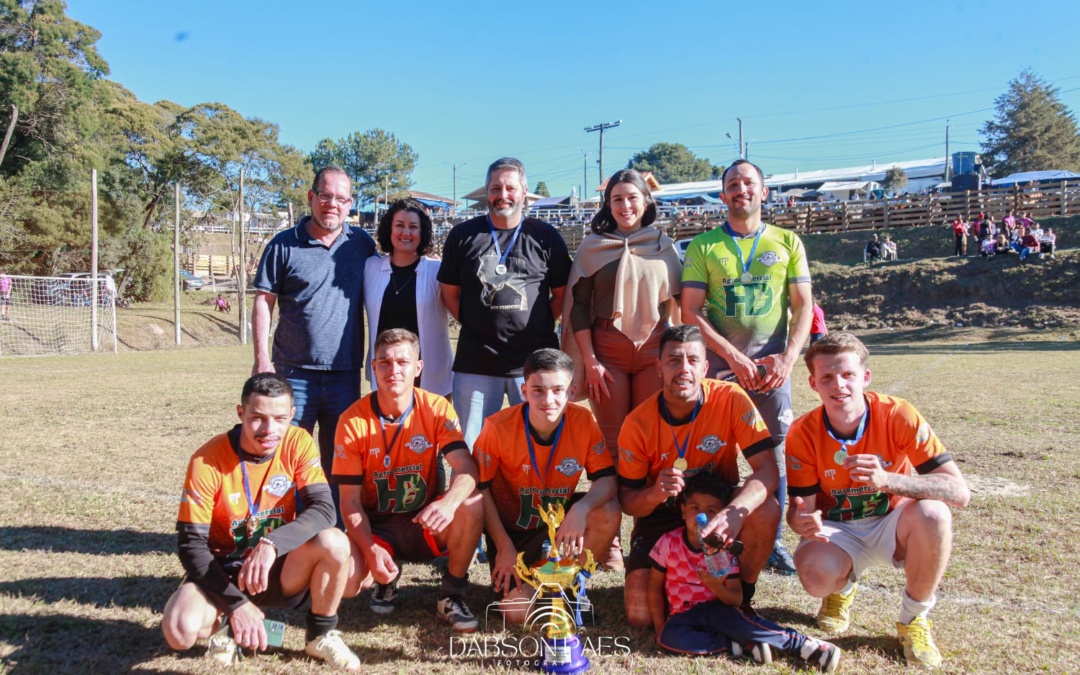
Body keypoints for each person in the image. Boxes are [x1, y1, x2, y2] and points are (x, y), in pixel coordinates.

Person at [786, 332, 970, 669]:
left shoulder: (899, 414)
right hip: (838, 529)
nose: (838, 384)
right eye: (827, 377)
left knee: (935, 514)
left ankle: (913, 619)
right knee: (814, 576)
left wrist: (888, 480)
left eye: (848, 374)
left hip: (893, 523)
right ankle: (840, 589)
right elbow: (799, 511)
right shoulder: (802, 432)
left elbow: (959, 492)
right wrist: (803, 521)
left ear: (865, 377)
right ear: (813, 383)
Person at [162, 373, 365, 670]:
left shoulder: (298, 441)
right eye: (257, 418)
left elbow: (323, 509)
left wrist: (272, 544)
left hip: (277, 567)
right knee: (180, 630)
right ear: (241, 413)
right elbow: (190, 546)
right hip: (223, 570)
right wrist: (237, 605)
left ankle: (320, 635)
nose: (269, 430)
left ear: (292, 415)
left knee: (334, 541)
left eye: (280, 419)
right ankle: (225, 627)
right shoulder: (206, 460)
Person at [681, 159, 814, 576]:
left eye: (749, 183)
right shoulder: (704, 246)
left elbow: (804, 306)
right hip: (721, 369)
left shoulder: (787, 241)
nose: (742, 189)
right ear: (723, 195)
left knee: (774, 457)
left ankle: (771, 542)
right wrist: (733, 357)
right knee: (712, 456)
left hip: (771, 369)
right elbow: (690, 311)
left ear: (764, 191)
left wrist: (788, 358)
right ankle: (707, 535)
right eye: (733, 184)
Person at [618, 324, 780, 627]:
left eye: (693, 360)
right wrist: (654, 493)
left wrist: (735, 512)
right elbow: (628, 502)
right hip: (664, 517)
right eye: (673, 360)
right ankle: (679, 576)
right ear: (659, 367)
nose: (684, 369)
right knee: (640, 616)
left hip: (718, 511)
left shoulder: (731, 398)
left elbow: (768, 469)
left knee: (765, 508)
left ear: (705, 367)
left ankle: (741, 597)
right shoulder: (637, 423)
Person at [332, 329, 485, 633]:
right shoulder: (351, 420)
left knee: (471, 503)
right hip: (377, 527)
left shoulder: (436, 407)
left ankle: (451, 594)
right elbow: (349, 502)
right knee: (348, 582)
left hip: (423, 522)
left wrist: (449, 504)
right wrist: (369, 548)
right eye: (385, 362)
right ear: (373, 367)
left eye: (403, 362)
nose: (394, 370)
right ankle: (385, 575)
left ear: (418, 367)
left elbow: (466, 467)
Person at [252, 166, 377, 508]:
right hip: (293, 373)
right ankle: (283, 523)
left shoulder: (362, 245)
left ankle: (333, 526)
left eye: (340, 198)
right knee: (287, 454)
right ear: (311, 197)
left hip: (344, 375)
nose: (332, 204)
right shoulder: (283, 245)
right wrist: (262, 359)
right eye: (325, 195)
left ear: (350, 204)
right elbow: (263, 302)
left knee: (340, 459)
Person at [474, 348, 621, 621]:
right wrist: (503, 546)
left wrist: (581, 509)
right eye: (538, 390)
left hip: (560, 531)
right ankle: (539, 588)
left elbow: (607, 480)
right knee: (517, 612)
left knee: (608, 510)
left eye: (557, 390)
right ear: (524, 391)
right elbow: (480, 489)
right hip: (514, 536)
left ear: (571, 391)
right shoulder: (497, 427)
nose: (548, 400)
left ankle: (571, 585)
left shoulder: (583, 421)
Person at [437, 157, 572, 451]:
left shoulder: (545, 236)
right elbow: (449, 293)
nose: (503, 195)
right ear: (487, 192)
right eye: (495, 188)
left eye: (510, 188)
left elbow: (562, 295)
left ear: (523, 192)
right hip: (476, 360)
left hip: (535, 361)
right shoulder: (463, 236)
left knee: (538, 444)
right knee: (473, 446)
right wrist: (475, 323)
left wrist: (539, 325)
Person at [649, 472, 841, 672]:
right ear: (683, 511)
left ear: (722, 515)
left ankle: (804, 645)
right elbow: (654, 586)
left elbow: (736, 599)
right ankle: (738, 646)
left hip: (717, 612)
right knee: (669, 638)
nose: (701, 517)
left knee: (741, 623)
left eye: (711, 511)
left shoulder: (723, 549)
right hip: (683, 619)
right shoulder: (668, 542)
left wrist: (716, 587)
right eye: (695, 508)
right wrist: (660, 626)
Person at [564, 168, 682, 467]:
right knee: (613, 442)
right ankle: (615, 496)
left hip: (654, 350)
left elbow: (681, 301)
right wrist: (590, 361)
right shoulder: (593, 246)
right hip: (606, 353)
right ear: (608, 204)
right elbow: (578, 306)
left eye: (632, 197)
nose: (625, 205)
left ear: (646, 201)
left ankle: (648, 498)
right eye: (617, 199)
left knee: (650, 435)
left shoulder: (663, 246)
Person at [364, 199, 453, 397]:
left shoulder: (436, 270)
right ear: (389, 229)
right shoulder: (370, 268)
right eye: (399, 225)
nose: (406, 232)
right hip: (387, 375)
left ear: (423, 232)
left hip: (431, 380)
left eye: (413, 227)